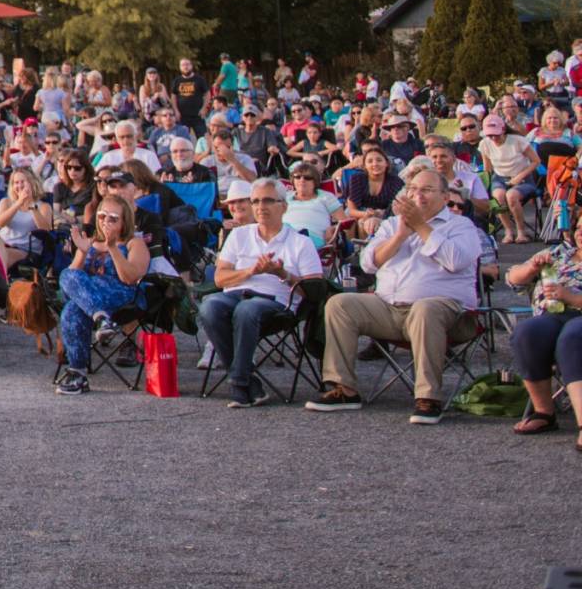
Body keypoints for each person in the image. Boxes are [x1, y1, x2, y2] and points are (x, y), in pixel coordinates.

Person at [307, 165, 487, 423]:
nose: (418, 196)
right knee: (340, 303)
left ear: (445, 196)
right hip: (390, 308)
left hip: (449, 314)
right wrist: (401, 235)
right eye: (413, 189)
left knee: (425, 309)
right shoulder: (392, 225)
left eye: (427, 190)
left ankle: (428, 397)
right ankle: (343, 389)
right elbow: (368, 263)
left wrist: (421, 226)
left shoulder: (461, 226)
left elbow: (455, 260)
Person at [197, 177, 324, 407]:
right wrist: (251, 271)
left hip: (278, 303)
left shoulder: (300, 242)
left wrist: (282, 273)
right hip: (235, 296)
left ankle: (238, 382)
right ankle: (248, 382)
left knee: (247, 310)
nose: (260, 207)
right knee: (209, 306)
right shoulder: (239, 235)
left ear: (283, 206)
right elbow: (219, 278)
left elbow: (315, 290)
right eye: (255, 201)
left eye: (267, 201)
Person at [53, 192, 151, 396]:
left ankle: (77, 373)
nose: (105, 221)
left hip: (121, 295)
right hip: (91, 297)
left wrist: (113, 247)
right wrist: (82, 252)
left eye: (113, 218)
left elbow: (130, 278)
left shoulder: (134, 243)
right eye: (102, 216)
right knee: (67, 281)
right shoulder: (90, 242)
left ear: (124, 222)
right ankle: (100, 319)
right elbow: (70, 282)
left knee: (72, 308)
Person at [504, 218, 582, 445]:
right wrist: (532, 268)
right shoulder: (558, 253)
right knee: (527, 332)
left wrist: (571, 298)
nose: (580, 233)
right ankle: (544, 412)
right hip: (551, 316)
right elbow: (512, 278)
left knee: (572, 337)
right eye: (578, 228)